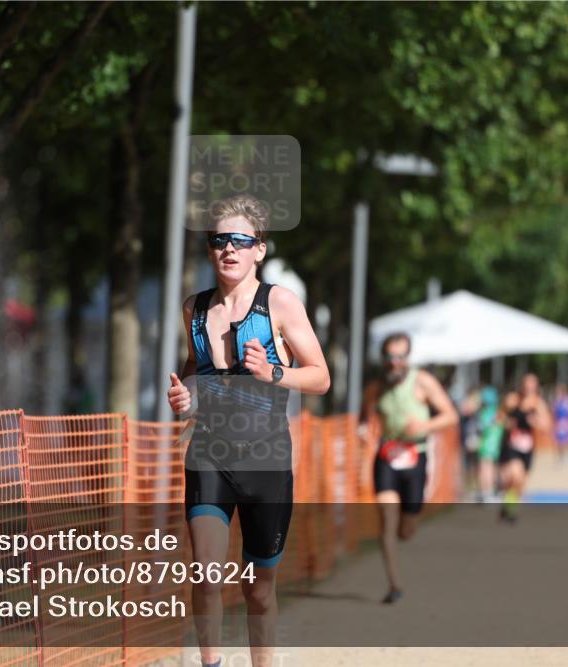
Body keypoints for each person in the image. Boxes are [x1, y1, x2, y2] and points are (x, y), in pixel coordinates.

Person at [166, 194, 330, 667]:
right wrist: (186, 396)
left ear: (260, 249)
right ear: (210, 249)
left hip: (267, 460)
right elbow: (194, 370)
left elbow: (320, 376)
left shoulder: (279, 303)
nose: (229, 250)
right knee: (205, 574)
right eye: (220, 240)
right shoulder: (193, 309)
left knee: (258, 589)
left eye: (241, 241)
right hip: (209, 456)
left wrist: (274, 373)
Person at [362, 332, 458, 604]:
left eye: (401, 357)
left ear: (408, 358)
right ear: (383, 359)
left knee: (407, 529)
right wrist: (363, 429)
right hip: (387, 456)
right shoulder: (377, 386)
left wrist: (424, 426)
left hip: (416, 457)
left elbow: (450, 415)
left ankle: (407, 526)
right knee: (387, 518)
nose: (395, 363)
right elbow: (365, 414)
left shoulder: (423, 382)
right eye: (390, 357)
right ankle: (395, 584)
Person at [497, 373, 551, 523]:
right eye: (527, 385)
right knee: (516, 475)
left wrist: (535, 423)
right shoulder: (513, 399)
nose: (529, 388)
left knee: (519, 484)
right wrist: (507, 423)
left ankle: (508, 507)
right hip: (511, 445)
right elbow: (499, 416)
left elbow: (547, 425)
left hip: (527, 448)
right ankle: (510, 511)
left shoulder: (538, 403)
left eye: (532, 386)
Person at [475, 385, 505, 502]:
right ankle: (489, 492)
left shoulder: (485, 413)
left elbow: (482, 428)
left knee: (485, 469)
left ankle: (486, 492)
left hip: (486, 444)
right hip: (494, 445)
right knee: (489, 469)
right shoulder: (498, 412)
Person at [552, 384, 568, 463]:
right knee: (560, 441)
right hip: (559, 423)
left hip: (566, 423)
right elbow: (554, 413)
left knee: (567, 440)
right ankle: (561, 457)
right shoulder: (557, 402)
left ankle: (567, 456)